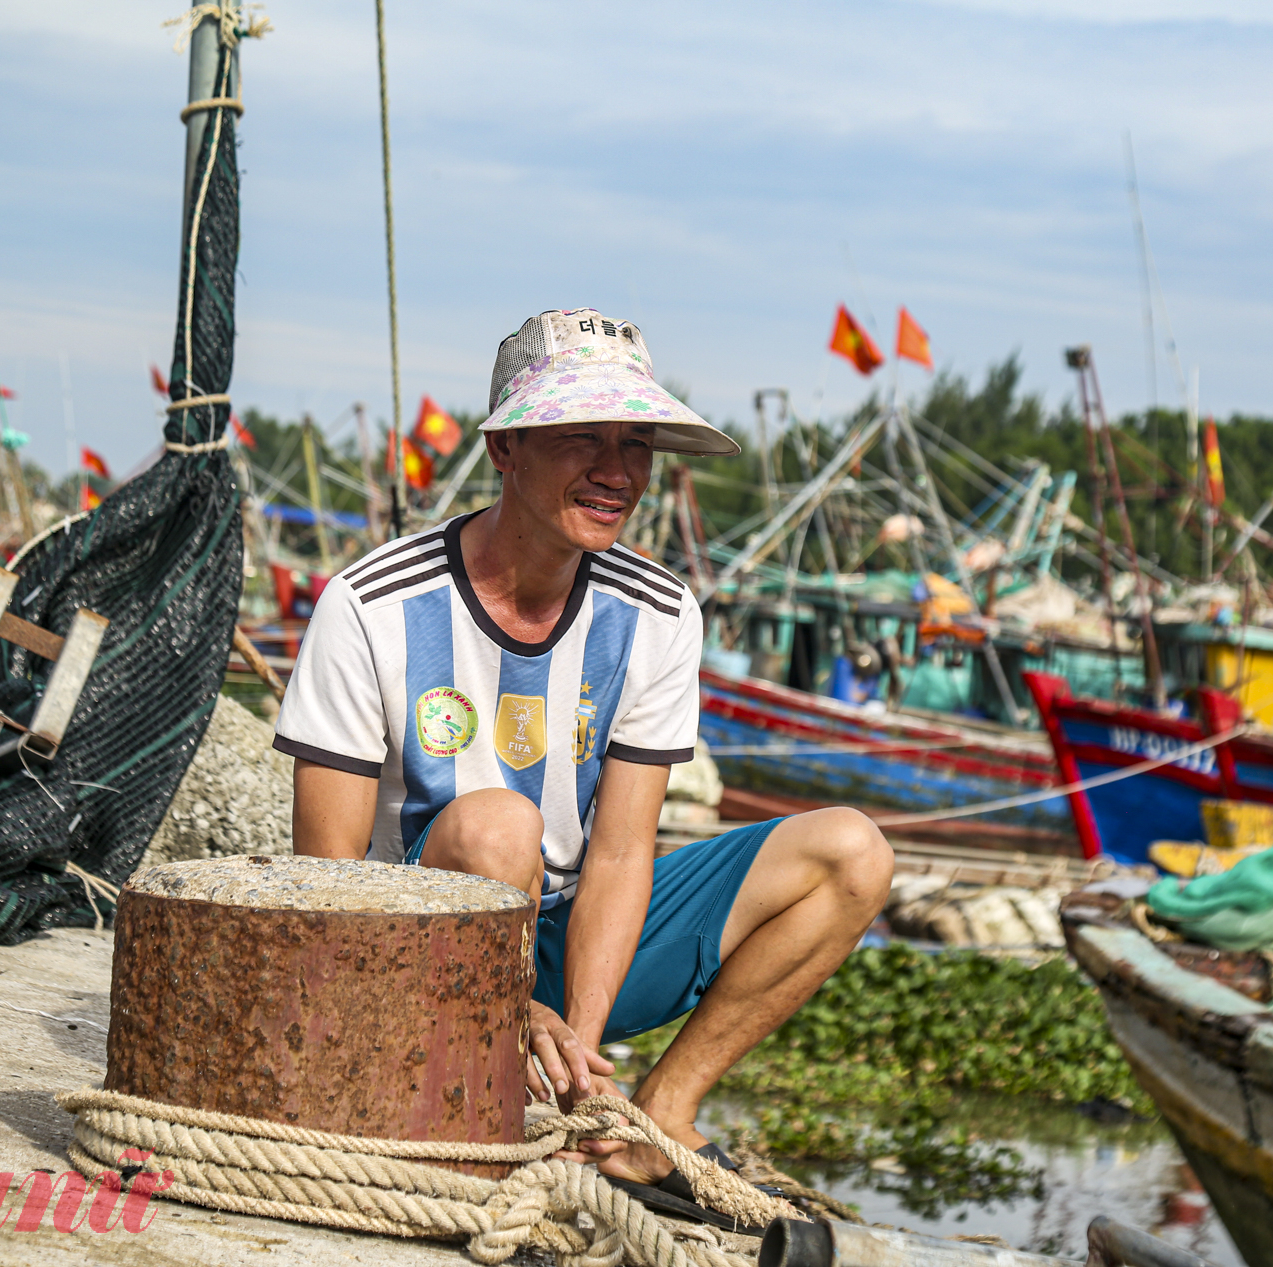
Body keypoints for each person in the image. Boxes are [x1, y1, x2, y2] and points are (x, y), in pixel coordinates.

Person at [276, 309, 892, 1200]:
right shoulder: (370, 604)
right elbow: (327, 888)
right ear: (506, 449)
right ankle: (472, 1074)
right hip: (410, 952)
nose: (616, 472)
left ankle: (655, 1118)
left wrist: (577, 1052)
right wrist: (504, 1001)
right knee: (498, 826)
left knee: (851, 851)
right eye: (581, 439)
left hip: (567, 940)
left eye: (635, 443)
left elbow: (620, 850)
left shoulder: (659, 611)